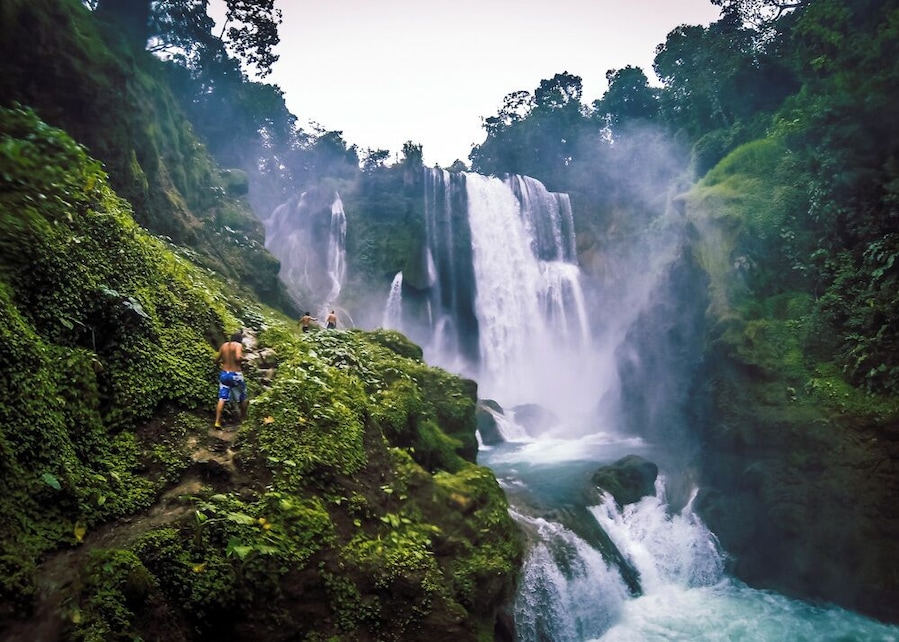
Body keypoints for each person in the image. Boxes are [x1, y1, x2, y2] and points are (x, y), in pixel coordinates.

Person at [214, 330, 248, 428]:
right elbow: (238, 358)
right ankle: (243, 419)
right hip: (235, 375)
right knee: (244, 398)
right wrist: (244, 359)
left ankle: (217, 422)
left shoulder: (224, 345)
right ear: (240, 340)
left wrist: (222, 363)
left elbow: (216, 360)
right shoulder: (238, 345)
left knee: (222, 398)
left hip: (224, 374)